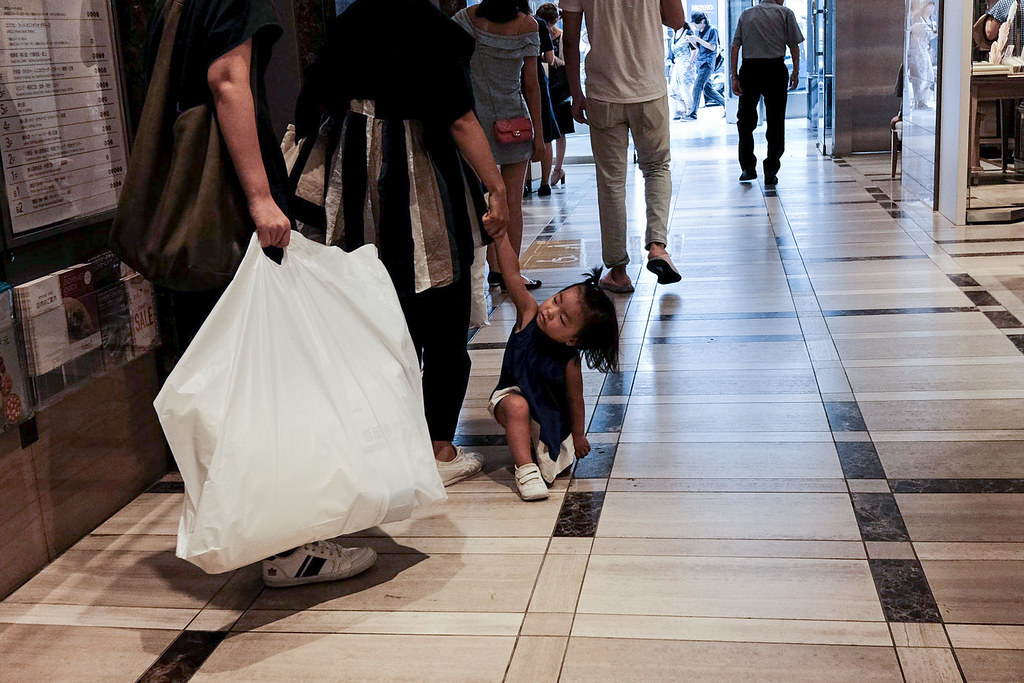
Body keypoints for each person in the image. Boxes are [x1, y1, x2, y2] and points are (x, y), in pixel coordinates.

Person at [146, 0, 375, 588]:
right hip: (226, 206)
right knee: (268, 373)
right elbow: (228, 80)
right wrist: (259, 196)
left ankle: (252, 530)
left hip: (192, 214)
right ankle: (292, 547)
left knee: (225, 370)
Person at [296, 0, 509, 497]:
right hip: (422, 180)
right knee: (443, 317)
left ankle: (380, 443)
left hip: (355, 187)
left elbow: (312, 103)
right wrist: (495, 188)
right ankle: (437, 449)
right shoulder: (433, 30)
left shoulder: (347, 23)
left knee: (371, 319)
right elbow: (459, 120)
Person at [562, 0, 685, 294]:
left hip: (604, 92)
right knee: (656, 168)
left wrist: (575, 92)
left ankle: (618, 271)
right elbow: (676, 20)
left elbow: (569, 40)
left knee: (611, 183)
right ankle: (657, 247)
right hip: (649, 89)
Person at [488, 236, 619, 500]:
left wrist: (579, 435)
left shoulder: (569, 360)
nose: (549, 311)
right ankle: (525, 470)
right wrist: (502, 236)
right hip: (510, 397)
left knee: (550, 454)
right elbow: (512, 275)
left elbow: (576, 400)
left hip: (547, 417)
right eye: (556, 300)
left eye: (562, 318)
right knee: (517, 407)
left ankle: (533, 449)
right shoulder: (528, 316)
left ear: (572, 339)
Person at [454, 0, 545, 292]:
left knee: (479, 201)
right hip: (515, 123)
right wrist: (540, 136)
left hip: (474, 125)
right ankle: (510, 273)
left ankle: (487, 270)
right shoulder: (529, 25)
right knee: (512, 203)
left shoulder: (465, 19)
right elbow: (531, 84)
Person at [730, 0, 804, 186]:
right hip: (775, 69)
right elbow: (794, 46)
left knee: (745, 121)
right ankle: (771, 170)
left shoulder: (746, 14)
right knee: (776, 120)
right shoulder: (785, 13)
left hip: (750, 69)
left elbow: (735, 47)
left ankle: (747, 168)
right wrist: (795, 71)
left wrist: (734, 76)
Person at [523, 8, 562, 198]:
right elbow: (548, 57)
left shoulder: (510, 23)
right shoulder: (538, 24)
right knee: (545, 131)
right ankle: (545, 182)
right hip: (537, 78)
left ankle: (522, 183)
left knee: (520, 131)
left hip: (514, 80)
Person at [536, 2, 573, 188]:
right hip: (544, 84)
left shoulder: (561, 37)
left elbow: (565, 62)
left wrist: (548, 57)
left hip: (559, 84)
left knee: (561, 128)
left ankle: (558, 168)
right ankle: (550, 169)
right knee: (549, 127)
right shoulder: (537, 34)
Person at [682, 11, 725, 120]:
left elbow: (712, 47)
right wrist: (691, 41)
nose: (695, 26)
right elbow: (697, 48)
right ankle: (728, 105)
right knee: (708, 90)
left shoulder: (712, 30)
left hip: (707, 64)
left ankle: (693, 114)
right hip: (700, 63)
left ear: (703, 21)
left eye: (697, 23)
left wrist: (697, 39)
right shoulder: (699, 32)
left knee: (697, 88)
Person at [667, 25, 697, 120]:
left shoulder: (687, 33)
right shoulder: (674, 36)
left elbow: (695, 49)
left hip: (686, 64)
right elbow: (673, 54)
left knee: (685, 89)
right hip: (677, 65)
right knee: (673, 90)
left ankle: (690, 111)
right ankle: (686, 109)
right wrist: (672, 66)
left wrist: (690, 62)